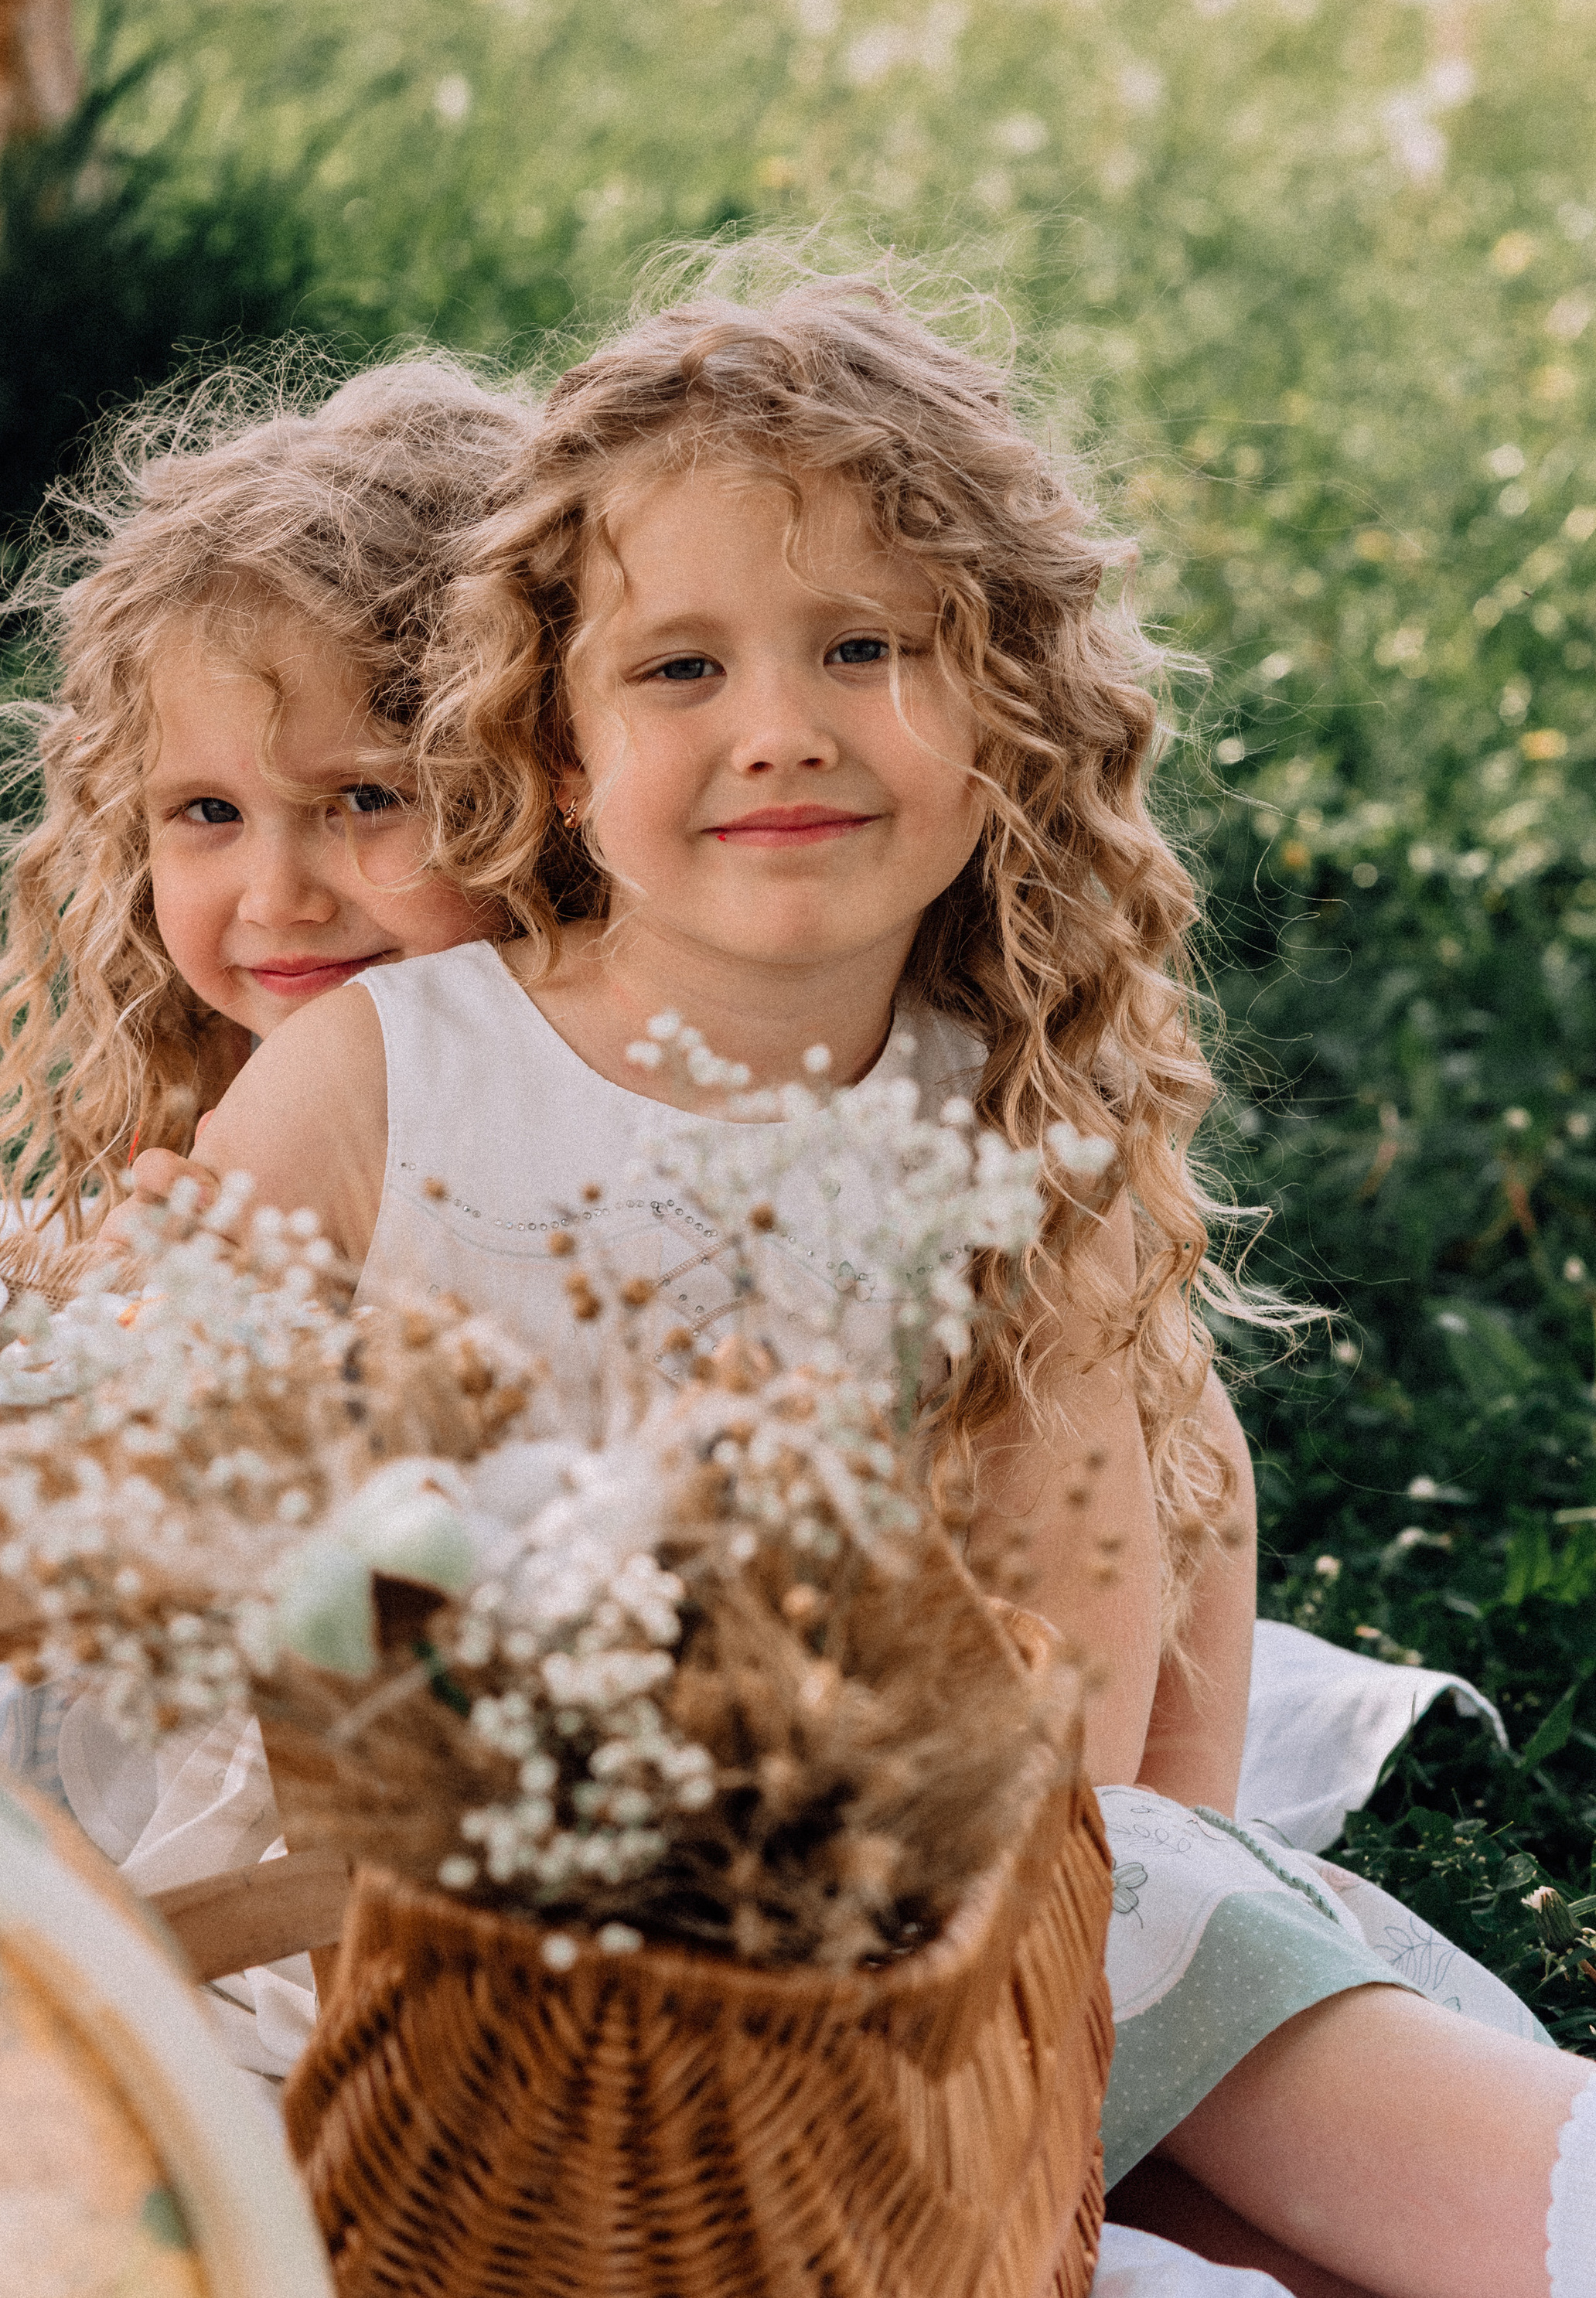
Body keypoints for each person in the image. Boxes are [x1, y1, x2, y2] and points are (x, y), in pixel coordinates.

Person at [194, 257, 1594, 2298]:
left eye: (867, 646)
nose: (781, 729)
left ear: (1009, 714)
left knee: (1197, 1971)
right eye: (679, 669)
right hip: (428, 1947)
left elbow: (1085, 1715)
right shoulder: (382, 1083)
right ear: (558, 749)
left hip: (938, 1939)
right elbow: (188, 1536)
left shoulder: (1015, 1132)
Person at [0, 349, 527, 1256]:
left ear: (533, 780)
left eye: (369, 797)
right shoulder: (221, 1083)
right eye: (210, 812)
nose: (277, 899)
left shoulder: (550, 1146)